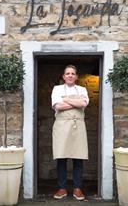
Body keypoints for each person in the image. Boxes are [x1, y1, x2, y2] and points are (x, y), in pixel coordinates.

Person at [51, 65, 89, 201]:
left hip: (77, 125)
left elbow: (84, 104)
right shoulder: (57, 89)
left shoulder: (83, 89)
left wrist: (66, 99)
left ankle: (77, 188)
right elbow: (58, 106)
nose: (70, 75)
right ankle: (62, 188)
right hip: (61, 126)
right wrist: (76, 102)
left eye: (73, 73)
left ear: (76, 76)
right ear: (63, 76)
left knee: (78, 158)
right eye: (67, 73)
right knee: (61, 157)